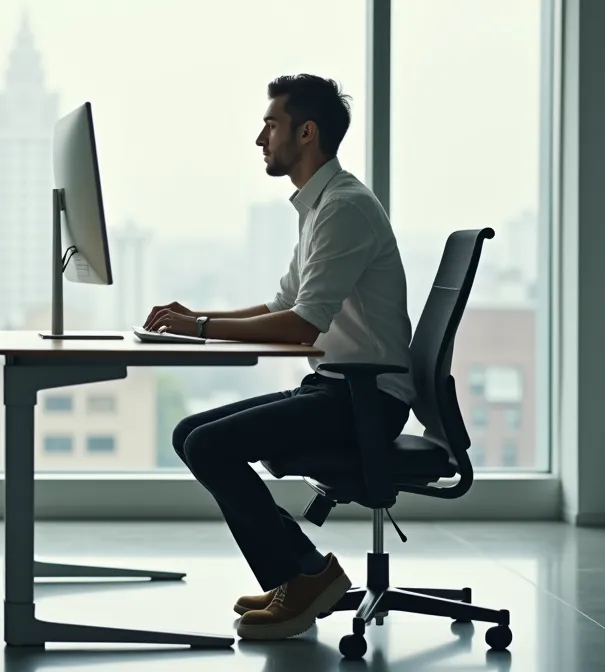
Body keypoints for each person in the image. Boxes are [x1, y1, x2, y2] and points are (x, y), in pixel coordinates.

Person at [143, 74, 415, 641]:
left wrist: (199, 326)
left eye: (271, 124)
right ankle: (296, 575)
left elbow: (302, 325)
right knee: (190, 432)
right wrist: (198, 324)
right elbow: (284, 303)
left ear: (306, 132)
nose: (260, 138)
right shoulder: (321, 206)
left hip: (365, 398)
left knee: (208, 444)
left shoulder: (343, 209)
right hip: (337, 388)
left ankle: (308, 575)